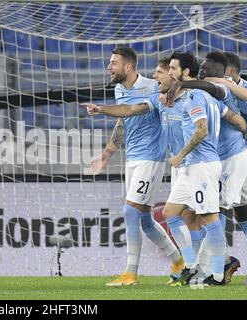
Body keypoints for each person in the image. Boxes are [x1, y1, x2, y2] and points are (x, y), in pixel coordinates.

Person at [84, 50, 184, 286]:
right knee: (145, 220)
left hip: (152, 158)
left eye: (113, 63)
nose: (109, 67)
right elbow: (123, 121)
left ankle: (130, 274)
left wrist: (101, 109)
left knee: (130, 212)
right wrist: (108, 152)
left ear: (128, 67)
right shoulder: (119, 89)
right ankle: (178, 262)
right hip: (133, 158)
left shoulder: (153, 86)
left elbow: (131, 110)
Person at [205, 58, 247, 284]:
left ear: (230, 71)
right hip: (237, 154)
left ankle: (215, 267)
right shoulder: (218, 89)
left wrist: (224, 84)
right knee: (244, 212)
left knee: (222, 207)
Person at [162, 52, 227, 286]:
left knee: (209, 217)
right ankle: (190, 265)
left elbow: (201, 130)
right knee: (170, 213)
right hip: (193, 165)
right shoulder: (208, 96)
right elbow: (230, 116)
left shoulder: (194, 97)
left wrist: (180, 154)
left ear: (185, 72)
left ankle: (217, 275)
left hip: (202, 164)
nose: (169, 72)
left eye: (172, 68)